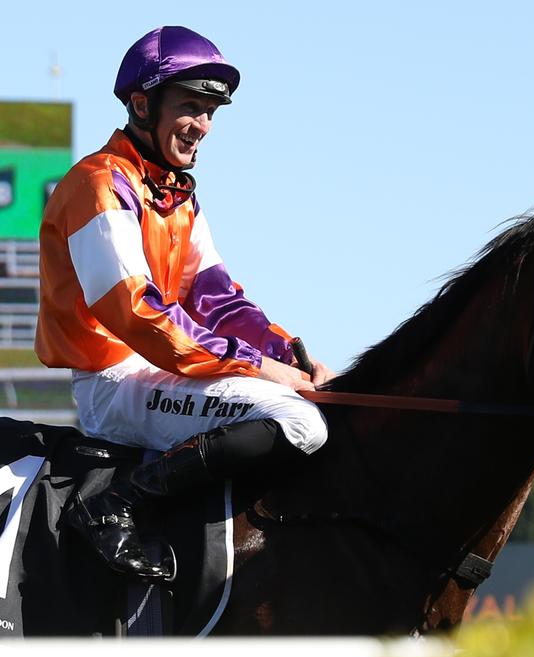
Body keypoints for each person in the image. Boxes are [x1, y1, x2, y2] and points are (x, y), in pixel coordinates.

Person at [36, 26, 332, 580]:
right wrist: (258, 368)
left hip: (161, 371)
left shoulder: (175, 193)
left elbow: (219, 302)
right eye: (190, 107)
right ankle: (117, 503)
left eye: (211, 112)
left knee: (319, 403)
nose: (202, 126)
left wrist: (291, 356)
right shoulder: (99, 185)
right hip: (114, 384)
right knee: (301, 425)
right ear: (142, 105)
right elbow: (137, 314)